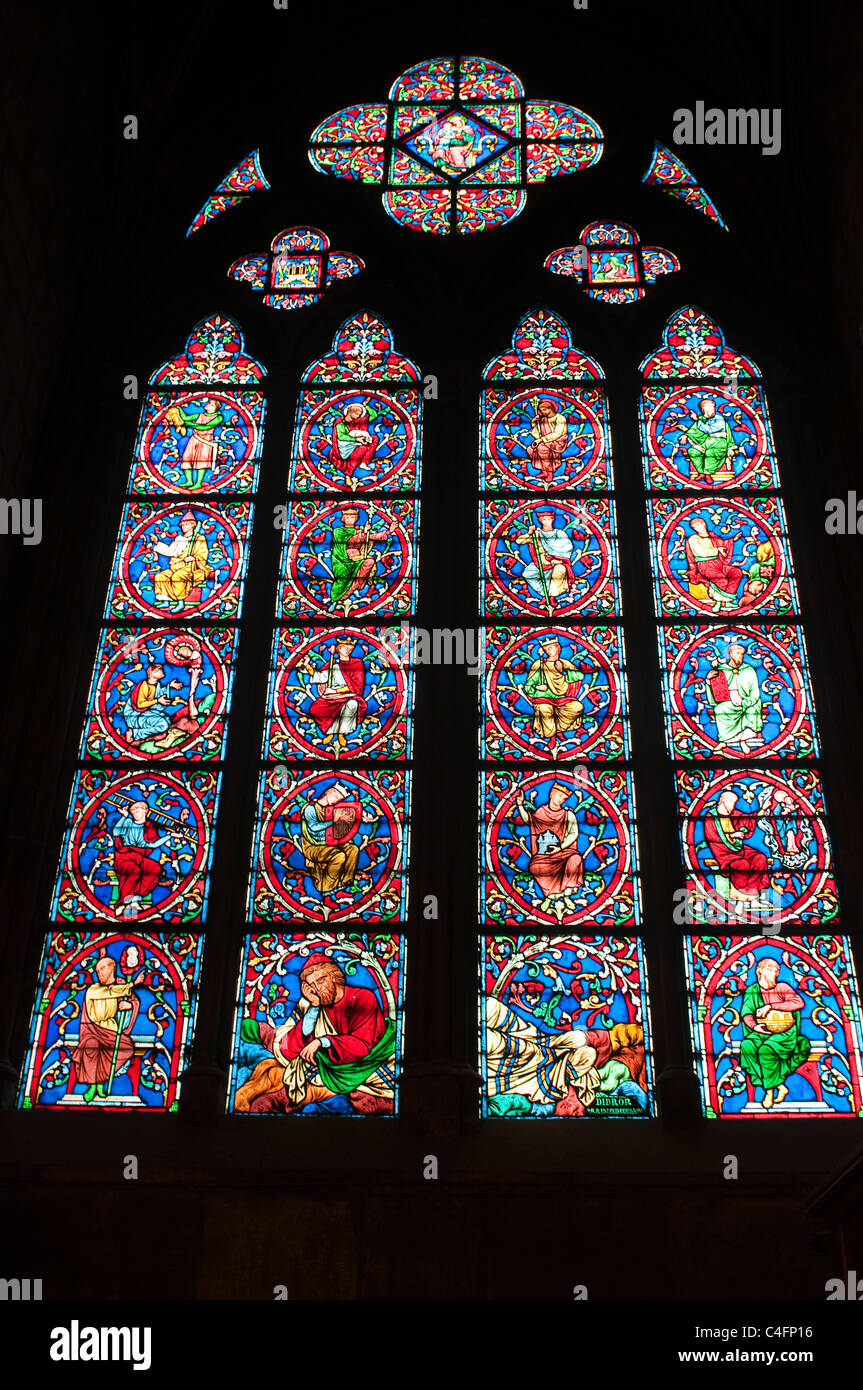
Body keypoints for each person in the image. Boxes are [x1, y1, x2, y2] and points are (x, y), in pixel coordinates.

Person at [234, 956, 395, 1113]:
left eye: (320, 980)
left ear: (335, 976)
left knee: (269, 1100)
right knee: (268, 1073)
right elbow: (290, 1048)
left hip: (363, 1066)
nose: (316, 988)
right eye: (311, 985)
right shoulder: (312, 1003)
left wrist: (322, 1042)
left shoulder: (363, 998)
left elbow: (362, 1045)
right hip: (323, 1068)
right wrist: (314, 1007)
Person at [739, 957, 810, 1110]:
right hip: (761, 1031)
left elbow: (799, 1002)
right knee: (746, 1047)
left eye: (776, 970)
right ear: (760, 971)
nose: (774, 973)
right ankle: (779, 1086)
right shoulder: (752, 990)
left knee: (766, 1050)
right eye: (770, 969)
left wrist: (771, 1006)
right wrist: (754, 1026)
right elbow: (746, 1014)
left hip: (784, 1033)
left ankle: (769, 1092)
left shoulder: (782, 987)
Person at [71, 954, 140, 1104]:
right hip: (91, 1030)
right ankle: (93, 1086)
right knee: (91, 1047)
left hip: (112, 1030)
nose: (99, 973)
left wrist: (129, 1007)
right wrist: (132, 984)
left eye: (102, 969)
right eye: (97, 970)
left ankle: (101, 1081)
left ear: (111, 969)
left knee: (125, 1047)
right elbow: (111, 992)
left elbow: (132, 1001)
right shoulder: (94, 989)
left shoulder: (119, 986)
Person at [514, 781, 585, 908]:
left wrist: (560, 848)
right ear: (552, 794)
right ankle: (550, 895)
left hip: (563, 853)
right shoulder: (541, 812)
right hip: (544, 855)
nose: (561, 800)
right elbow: (529, 821)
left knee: (576, 859)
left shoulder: (568, 814)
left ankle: (566, 895)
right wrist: (519, 805)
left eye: (564, 798)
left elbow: (573, 834)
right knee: (534, 867)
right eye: (559, 796)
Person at [300, 783, 375, 897]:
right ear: (330, 793)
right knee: (338, 856)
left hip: (330, 843)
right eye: (337, 798)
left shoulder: (331, 810)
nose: (336, 802)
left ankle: (344, 883)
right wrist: (333, 821)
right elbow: (314, 827)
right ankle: (327, 888)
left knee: (353, 849)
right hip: (313, 846)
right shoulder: (310, 808)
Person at [703, 789, 771, 906]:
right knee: (742, 864)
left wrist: (763, 809)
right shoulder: (710, 817)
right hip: (723, 852)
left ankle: (753, 898)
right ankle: (740, 900)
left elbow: (749, 818)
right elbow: (712, 837)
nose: (733, 805)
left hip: (739, 849)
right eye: (732, 802)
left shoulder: (734, 814)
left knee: (760, 858)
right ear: (723, 801)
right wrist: (733, 835)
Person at [303, 637, 368, 749]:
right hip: (331, 697)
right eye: (344, 647)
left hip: (349, 695)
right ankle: (331, 732)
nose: (348, 650)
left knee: (353, 704)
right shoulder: (333, 664)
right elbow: (320, 677)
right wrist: (307, 665)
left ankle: (341, 733)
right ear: (338, 649)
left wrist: (335, 690)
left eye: (350, 647)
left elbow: (356, 686)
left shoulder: (357, 664)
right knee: (315, 709)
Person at [110, 800, 171, 917]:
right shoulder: (127, 822)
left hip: (138, 857)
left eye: (137, 811)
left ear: (145, 812)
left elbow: (152, 844)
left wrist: (169, 836)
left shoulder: (147, 828)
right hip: (124, 856)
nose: (135, 813)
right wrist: (123, 817)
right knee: (134, 871)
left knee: (154, 869)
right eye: (133, 811)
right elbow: (116, 832)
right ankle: (125, 901)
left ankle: (136, 897)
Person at [522, 636, 584, 746]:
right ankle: (551, 736)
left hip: (562, 699)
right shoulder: (540, 664)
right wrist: (537, 687)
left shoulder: (564, 663)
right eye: (546, 649)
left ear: (558, 647)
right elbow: (528, 687)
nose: (548, 650)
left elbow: (580, 675)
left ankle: (557, 730)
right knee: (545, 709)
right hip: (543, 699)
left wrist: (563, 672)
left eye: (551, 647)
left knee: (578, 707)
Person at [329, 507, 392, 609]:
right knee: (341, 580)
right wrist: (364, 533)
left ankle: (351, 590)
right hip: (341, 560)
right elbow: (350, 541)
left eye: (353, 517)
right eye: (348, 517)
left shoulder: (358, 530)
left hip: (357, 557)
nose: (351, 519)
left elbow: (373, 536)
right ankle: (336, 599)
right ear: (343, 518)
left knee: (370, 561)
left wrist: (389, 531)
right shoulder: (338, 531)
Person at [706, 642, 763, 753]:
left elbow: (755, 692)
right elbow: (715, 692)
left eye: (742, 654)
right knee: (720, 709)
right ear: (730, 654)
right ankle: (723, 741)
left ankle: (743, 741)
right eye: (737, 653)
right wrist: (708, 681)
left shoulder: (749, 670)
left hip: (746, 701)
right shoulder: (721, 670)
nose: (740, 656)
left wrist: (745, 702)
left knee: (752, 710)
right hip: (728, 701)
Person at [152, 510, 213, 611]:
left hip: (191, 568)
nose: (182, 526)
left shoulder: (199, 538)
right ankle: (165, 600)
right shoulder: (179, 538)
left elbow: (203, 554)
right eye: (182, 524)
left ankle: (180, 602)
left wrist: (194, 557)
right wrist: (157, 542)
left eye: (185, 524)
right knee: (160, 576)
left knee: (178, 577)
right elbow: (170, 551)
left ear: (192, 525)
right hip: (176, 566)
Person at [513, 511, 576, 605]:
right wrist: (529, 533)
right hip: (540, 563)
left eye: (548, 519)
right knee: (527, 573)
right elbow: (519, 541)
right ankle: (544, 594)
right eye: (543, 519)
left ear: (552, 520)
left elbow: (568, 548)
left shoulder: (559, 533)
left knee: (559, 570)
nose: (546, 521)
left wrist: (558, 560)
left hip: (558, 563)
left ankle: (551, 597)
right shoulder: (536, 534)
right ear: (540, 521)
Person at [683, 516, 744, 611]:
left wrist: (733, 540)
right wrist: (717, 550)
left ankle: (728, 601)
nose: (697, 528)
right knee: (721, 580)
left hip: (718, 563)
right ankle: (718, 603)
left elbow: (722, 544)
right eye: (694, 527)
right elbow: (700, 552)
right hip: (705, 565)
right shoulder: (693, 539)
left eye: (698, 525)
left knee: (736, 573)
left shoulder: (712, 535)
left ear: (704, 523)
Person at [119, 663, 184, 745]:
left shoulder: (156, 685)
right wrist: (157, 700)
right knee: (163, 725)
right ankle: (134, 733)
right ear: (154, 671)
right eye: (161, 670)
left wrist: (169, 686)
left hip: (145, 713)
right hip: (135, 716)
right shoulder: (144, 686)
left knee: (167, 719)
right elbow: (140, 704)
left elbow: (158, 694)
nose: (163, 671)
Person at [166, 398, 224, 489]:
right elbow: (185, 418)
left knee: (202, 460)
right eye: (209, 403)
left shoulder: (218, 417)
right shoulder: (200, 415)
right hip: (194, 438)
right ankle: (189, 481)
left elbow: (205, 427)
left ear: (215, 409)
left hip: (206, 440)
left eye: (211, 404)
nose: (208, 404)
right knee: (187, 458)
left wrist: (189, 424)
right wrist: (178, 407)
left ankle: (198, 483)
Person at [679, 397, 739, 483]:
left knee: (709, 453)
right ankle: (701, 473)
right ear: (703, 409)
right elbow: (693, 431)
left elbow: (709, 430)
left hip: (719, 443)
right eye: (709, 407)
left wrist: (697, 420)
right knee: (693, 451)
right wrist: (686, 436)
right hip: (707, 443)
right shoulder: (701, 419)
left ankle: (707, 474)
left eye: (713, 407)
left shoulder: (719, 418)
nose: (712, 409)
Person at [331, 401, 385, 480]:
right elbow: (341, 436)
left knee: (374, 439)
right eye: (356, 412)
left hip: (359, 442)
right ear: (350, 411)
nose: (359, 414)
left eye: (360, 413)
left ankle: (364, 462)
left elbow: (374, 415)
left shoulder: (361, 421)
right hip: (346, 447)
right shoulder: (341, 423)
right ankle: (348, 475)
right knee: (362, 449)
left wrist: (365, 405)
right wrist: (356, 439)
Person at [525, 398, 568, 485]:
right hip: (545, 440)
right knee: (530, 449)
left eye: (544, 409)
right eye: (541, 410)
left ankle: (550, 473)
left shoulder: (560, 418)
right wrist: (533, 423)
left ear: (550, 408)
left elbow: (558, 433)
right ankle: (544, 471)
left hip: (557, 441)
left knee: (542, 449)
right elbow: (538, 434)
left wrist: (541, 440)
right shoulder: (543, 420)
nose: (542, 412)